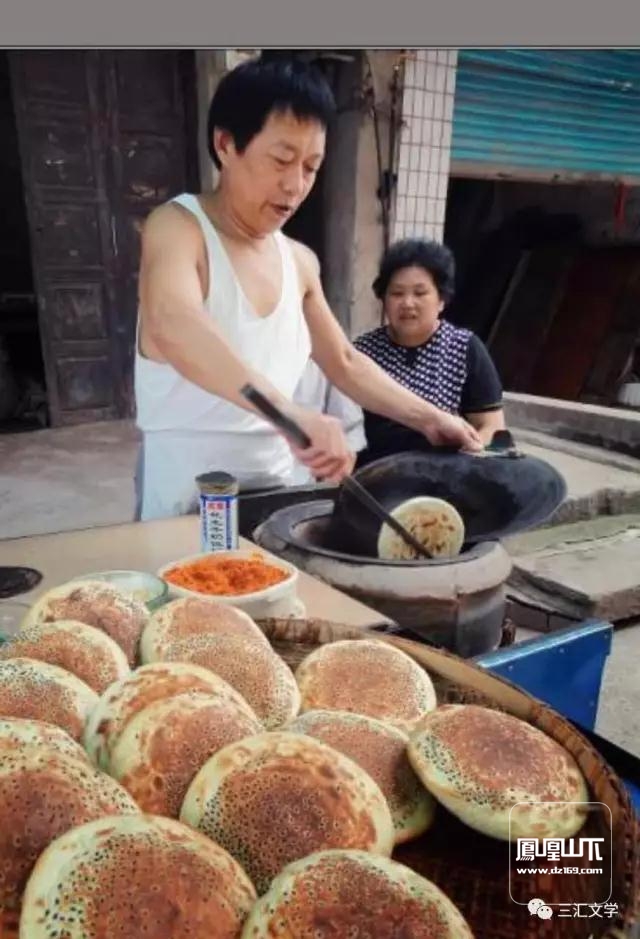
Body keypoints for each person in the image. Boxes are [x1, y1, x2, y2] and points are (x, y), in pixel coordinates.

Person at [134, 56, 481, 521]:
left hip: (276, 493)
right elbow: (174, 324)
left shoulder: (298, 261)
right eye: (281, 160)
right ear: (226, 144)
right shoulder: (179, 228)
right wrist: (289, 413)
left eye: (311, 167)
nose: (295, 185)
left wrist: (433, 419)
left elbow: (344, 361)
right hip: (186, 498)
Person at [354, 239, 505, 467]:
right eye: (396, 293)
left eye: (420, 292)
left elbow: (492, 426)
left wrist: (466, 458)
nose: (407, 303)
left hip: (445, 478)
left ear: (441, 299)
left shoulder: (465, 348)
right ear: (383, 299)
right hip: (374, 478)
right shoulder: (362, 353)